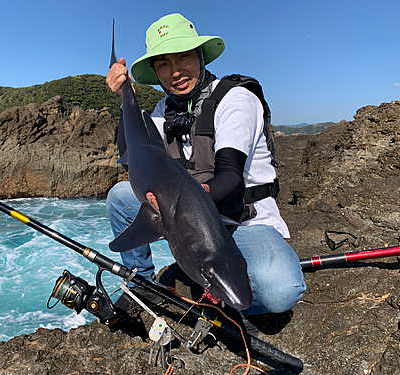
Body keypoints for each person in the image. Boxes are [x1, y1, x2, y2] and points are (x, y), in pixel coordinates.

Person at [105, 13, 306, 327]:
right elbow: (133, 157)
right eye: (163, 64)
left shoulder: (235, 100)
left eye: (184, 56)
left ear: (200, 54)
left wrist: (182, 207)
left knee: (282, 292)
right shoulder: (163, 111)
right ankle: (141, 281)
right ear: (155, 72)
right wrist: (124, 96)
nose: (176, 71)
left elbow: (229, 176)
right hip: (189, 219)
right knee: (120, 196)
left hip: (243, 221)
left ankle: (217, 291)